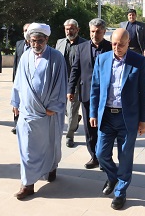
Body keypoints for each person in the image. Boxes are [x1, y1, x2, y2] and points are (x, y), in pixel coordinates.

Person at [90, 28, 145, 210]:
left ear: (128, 42)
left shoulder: (138, 61)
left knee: (125, 157)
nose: (117, 48)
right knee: (100, 153)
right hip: (107, 115)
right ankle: (113, 176)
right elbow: (95, 88)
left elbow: (144, 91)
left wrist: (143, 120)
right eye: (114, 44)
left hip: (127, 117)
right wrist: (93, 113)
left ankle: (120, 193)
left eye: (121, 44)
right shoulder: (102, 59)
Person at [11, 23, 67, 200]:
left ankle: (51, 167)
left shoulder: (56, 57)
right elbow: (18, 81)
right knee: (27, 149)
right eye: (33, 41)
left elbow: (61, 83)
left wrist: (54, 107)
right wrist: (15, 101)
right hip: (27, 112)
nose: (36, 44)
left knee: (50, 145)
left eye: (40, 41)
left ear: (47, 39)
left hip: (47, 113)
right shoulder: (25, 56)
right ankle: (27, 184)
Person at [68, 18, 112, 169]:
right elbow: (75, 70)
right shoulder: (81, 48)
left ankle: (105, 157)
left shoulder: (111, 48)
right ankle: (94, 156)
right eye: (92, 31)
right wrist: (70, 89)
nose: (95, 34)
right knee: (89, 128)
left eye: (98, 32)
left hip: (107, 96)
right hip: (86, 94)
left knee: (105, 127)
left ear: (104, 32)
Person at [55, 19, 87, 148]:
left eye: (72, 29)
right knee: (63, 108)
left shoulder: (84, 44)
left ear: (77, 30)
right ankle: (75, 119)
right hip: (61, 81)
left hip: (76, 83)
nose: (69, 31)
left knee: (72, 109)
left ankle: (70, 136)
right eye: (67, 29)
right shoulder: (60, 42)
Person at [11, 23, 31, 134]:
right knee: (16, 102)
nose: (27, 32)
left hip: (31, 79)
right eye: (25, 30)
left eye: (29, 30)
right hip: (19, 79)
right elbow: (15, 62)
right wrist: (14, 78)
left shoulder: (36, 45)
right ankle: (16, 124)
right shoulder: (19, 44)